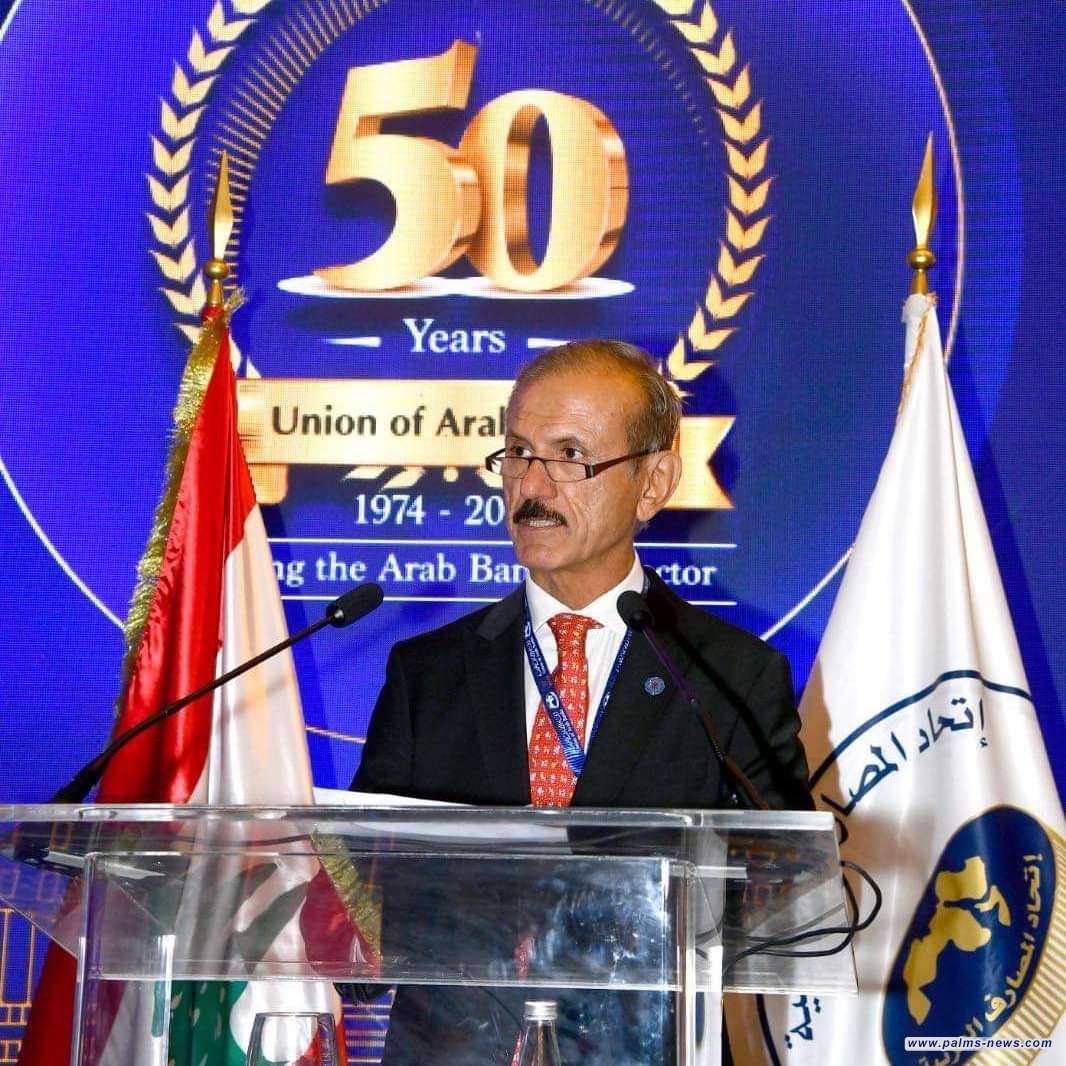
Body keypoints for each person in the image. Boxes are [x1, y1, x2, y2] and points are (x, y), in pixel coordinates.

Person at [349, 339, 811, 1063]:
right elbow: (361, 896)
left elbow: (779, 894)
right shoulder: (428, 674)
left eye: (569, 456)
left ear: (653, 483)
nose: (532, 485)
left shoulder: (731, 677)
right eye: (517, 453)